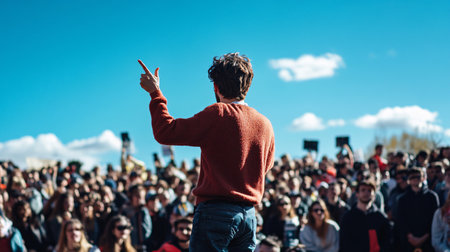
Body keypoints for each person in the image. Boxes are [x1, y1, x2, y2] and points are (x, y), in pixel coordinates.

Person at [138, 52, 275, 251]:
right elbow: (265, 166)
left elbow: (165, 132)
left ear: (216, 87)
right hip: (248, 216)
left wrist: (155, 93)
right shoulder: (265, 124)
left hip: (215, 213)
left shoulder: (217, 113)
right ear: (248, 85)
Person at [339, 179, 392, 252]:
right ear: (357, 194)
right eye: (363, 190)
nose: (366, 193)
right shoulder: (347, 217)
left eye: (369, 190)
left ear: (374, 194)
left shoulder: (381, 218)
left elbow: (386, 243)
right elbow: (343, 243)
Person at [396, 167, 439, 252]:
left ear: (424, 178)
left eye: (418, 176)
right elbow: (401, 220)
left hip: (428, 241)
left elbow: (435, 219)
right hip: (408, 242)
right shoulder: (402, 199)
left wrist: (425, 237)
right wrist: (410, 236)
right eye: (412, 177)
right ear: (408, 180)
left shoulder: (432, 197)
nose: (415, 179)